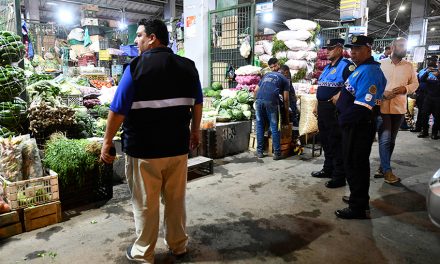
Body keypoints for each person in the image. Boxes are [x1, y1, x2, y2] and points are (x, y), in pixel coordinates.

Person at [100, 19, 202, 263]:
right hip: (177, 149)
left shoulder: (134, 69)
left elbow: (117, 110)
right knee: (176, 200)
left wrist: (107, 142)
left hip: (144, 152)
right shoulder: (188, 67)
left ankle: (144, 253)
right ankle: (178, 245)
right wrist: (195, 131)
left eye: (139, 35)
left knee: (146, 203)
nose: (136, 41)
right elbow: (198, 101)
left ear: (153, 37)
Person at [334, 35, 386, 219]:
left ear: (369, 50)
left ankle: (358, 208)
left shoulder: (371, 71)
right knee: (353, 164)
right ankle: (358, 197)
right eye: (352, 49)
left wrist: (343, 120)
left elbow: (364, 106)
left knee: (356, 164)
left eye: (358, 49)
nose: (353, 52)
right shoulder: (361, 68)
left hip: (359, 125)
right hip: (353, 124)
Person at [311, 38, 356, 189]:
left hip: (334, 110)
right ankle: (328, 168)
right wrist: (318, 103)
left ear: (339, 48)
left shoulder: (346, 66)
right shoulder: (327, 68)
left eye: (330, 48)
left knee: (336, 142)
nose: (327, 51)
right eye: (327, 48)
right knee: (325, 141)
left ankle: (339, 176)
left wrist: (340, 94)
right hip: (323, 109)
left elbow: (352, 85)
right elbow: (322, 87)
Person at [376, 37, 419, 184]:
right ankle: (387, 171)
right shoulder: (381, 64)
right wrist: (382, 93)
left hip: (399, 108)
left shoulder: (408, 66)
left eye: (405, 46)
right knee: (385, 138)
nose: (404, 48)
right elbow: (373, 84)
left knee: (392, 140)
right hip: (382, 107)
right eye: (401, 45)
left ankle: (383, 166)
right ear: (393, 47)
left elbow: (415, 83)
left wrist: (405, 89)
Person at [254, 58, 290, 160]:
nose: (274, 68)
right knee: (274, 126)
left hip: (259, 100)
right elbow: (286, 99)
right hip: (271, 101)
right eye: (272, 66)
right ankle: (277, 153)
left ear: (278, 65)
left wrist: (256, 102)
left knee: (260, 125)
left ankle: (260, 152)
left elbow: (256, 90)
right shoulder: (284, 79)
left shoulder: (266, 75)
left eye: (274, 66)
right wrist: (286, 116)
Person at [411, 56, 438, 133]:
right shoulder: (423, 70)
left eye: (431, 60)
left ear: (435, 61)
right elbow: (418, 81)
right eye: (428, 60)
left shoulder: (437, 71)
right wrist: (416, 91)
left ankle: (432, 130)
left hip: (431, 94)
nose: (429, 62)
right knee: (421, 112)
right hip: (421, 94)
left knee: (432, 113)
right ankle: (419, 127)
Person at [418, 58, 440, 140]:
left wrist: (438, 75)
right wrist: (427, 72)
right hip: (428, 97)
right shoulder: (431, 72)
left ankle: (434, 133)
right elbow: (422, 79)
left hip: (438, 98)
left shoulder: (437, 73)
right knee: (424, 114)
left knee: (437, 117)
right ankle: (425, 131)